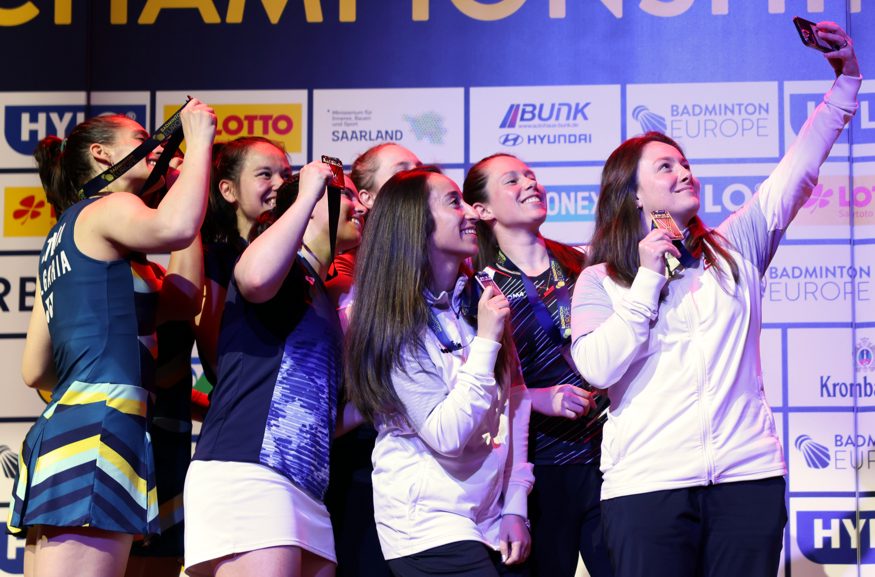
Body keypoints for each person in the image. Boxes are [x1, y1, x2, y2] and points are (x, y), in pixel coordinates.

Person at [569, 22, 860, 577]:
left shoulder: (735, 247)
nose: (684, 172)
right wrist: (648, 281)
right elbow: (597, 367)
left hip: (746, 477)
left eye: (684, 163)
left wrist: (846, 82)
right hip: (647, 486)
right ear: (631, 193)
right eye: (665, 167)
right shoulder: (601, 278)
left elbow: (797, 171)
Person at [9, 100, 216, 577]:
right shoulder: (111, 207)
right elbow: (175, 226)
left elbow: (35, 370)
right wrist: (201, 141)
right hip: (104, 430)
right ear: (102, 155)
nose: (155, 145)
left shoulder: (63, 235)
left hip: (62, 433)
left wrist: (185, 190)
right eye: (140, 135)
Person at [345, 168, 534, 576]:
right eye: (454, 202)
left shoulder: (477, 298)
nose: (472, 213)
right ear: (416, 223)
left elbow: (514, 401)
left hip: (488, 516)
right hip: (426, 523)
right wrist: (486, 342)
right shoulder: (391, 321)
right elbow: (445, 434)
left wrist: (515, 504)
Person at [183, 160, 365, 577]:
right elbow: (253, 277)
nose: (360, 206)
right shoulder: (279, 266)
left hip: (305, 485)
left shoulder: (320, 290)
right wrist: (307, 194)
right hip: (249, 473)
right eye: (348, 194)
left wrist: (375, 406)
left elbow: (313, 419)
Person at [463, 154, 612, 577]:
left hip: (607, 458)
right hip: (535, 470)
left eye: (530, 175)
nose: (529, 183)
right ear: (482, 210)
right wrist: (537, 398)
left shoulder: (583, 264)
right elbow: (465, 381)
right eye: (511, 180)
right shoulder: (478, 283)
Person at [325, 142, 421, 577]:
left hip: (427, 452)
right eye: (402, 169)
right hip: (356, 453)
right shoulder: (339, 267)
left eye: (419, 168)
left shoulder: (438, 262)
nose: (416, 176)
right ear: (364, 198)